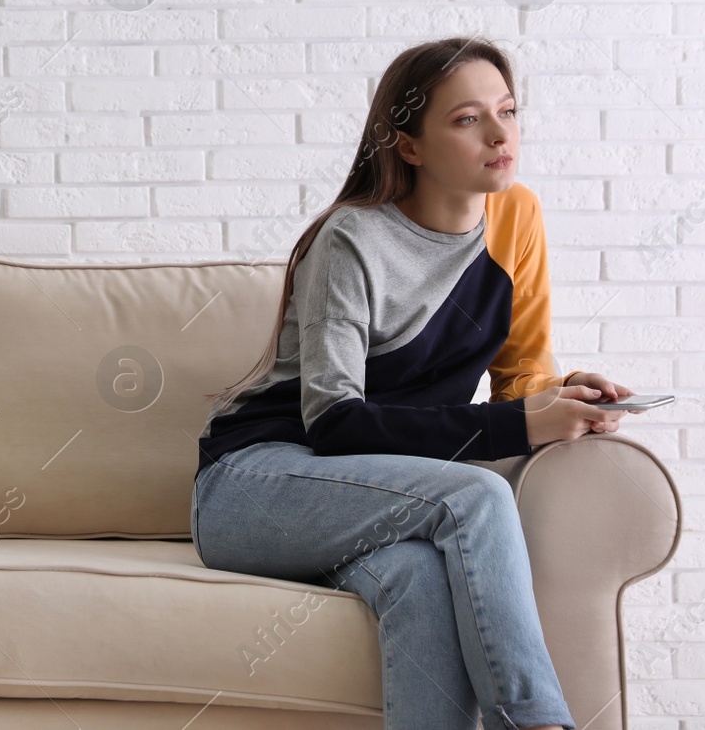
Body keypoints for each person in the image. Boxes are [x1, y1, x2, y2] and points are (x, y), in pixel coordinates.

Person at [192, 36, 633, 730]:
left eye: (508, 111)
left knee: (421, 580)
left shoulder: (515, 216)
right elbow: (333, 421)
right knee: (477, 495)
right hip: (255, 483)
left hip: (380, 493)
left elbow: (521, 372)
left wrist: (562, 394)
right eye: (466, 119)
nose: (499, 134)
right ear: (409, 146)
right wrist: (518, 425)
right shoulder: (351, 239)